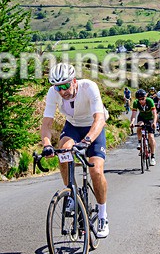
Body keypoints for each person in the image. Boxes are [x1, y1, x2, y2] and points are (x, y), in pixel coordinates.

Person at [40, 63, 110, 238]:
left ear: (74, 81)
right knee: (64, 152)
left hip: (94, 126)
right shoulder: (53, 93)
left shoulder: (89, 87)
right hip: (73, 126)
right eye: (58, 87)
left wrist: (87, 141)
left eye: (65, 85)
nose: (62, 91)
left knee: (95, 170)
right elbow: (47, 124)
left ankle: (102, 215)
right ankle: (72, 192)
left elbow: (99, 119)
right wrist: (47, 145)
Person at [130, 89, 157, 165]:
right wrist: (132, 122)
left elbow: (155, 113)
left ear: (145, 97)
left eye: (142, 99)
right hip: (142, 118)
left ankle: (152, 157)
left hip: (150, 118)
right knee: (139, 126)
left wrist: (154, 122)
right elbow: (134, 115)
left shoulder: (150, 101)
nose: (141, 101)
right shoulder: (136, 103)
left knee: (151, 137)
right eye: (139, 99)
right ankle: (139, 142)